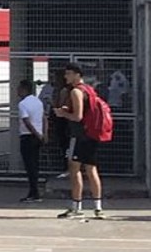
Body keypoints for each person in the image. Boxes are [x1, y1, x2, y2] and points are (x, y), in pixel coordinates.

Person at [55, 63, 105, 219]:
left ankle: (76, 206)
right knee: (91, 169)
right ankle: (97, 207)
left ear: (77, 74)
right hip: (91, 135)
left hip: (79, 135)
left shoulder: (76, 91)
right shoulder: (89, 90)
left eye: (69, 73)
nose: (66, 76)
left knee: (74, 169)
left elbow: (78, 116)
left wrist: (62, 114)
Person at [16, 78, 45, 202]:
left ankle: (34, 192)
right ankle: (34, 191)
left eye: (19, 88)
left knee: (29, 165)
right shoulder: (38, 101)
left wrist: (35, 133)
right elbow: (44, 118)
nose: (17, 91)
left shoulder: (23, 104)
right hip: (38, 135)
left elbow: (26, 121)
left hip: (28, 136)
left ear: (24, 89)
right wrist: (43, 134)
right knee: (35, 164)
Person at [47, 72, 71, 179]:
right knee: (63, 145)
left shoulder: (64, 91)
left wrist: (52, 103)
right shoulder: (58, 90)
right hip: (60, 121)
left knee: (66, 145)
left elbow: (60, 106)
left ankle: (68, 167)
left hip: (63, 122)